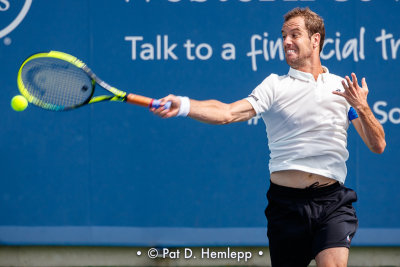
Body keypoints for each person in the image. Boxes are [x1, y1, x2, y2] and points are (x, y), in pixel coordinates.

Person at [151, 7, 386, 267]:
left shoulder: (342, 88)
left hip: (332, 202)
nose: (286, 41)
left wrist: (363, 107)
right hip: (285, 206)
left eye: (294, 34)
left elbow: (378, 145)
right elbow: (228, 112)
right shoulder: (274, 85)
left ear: (315, 39)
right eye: (283, 35)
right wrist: (184, 105)